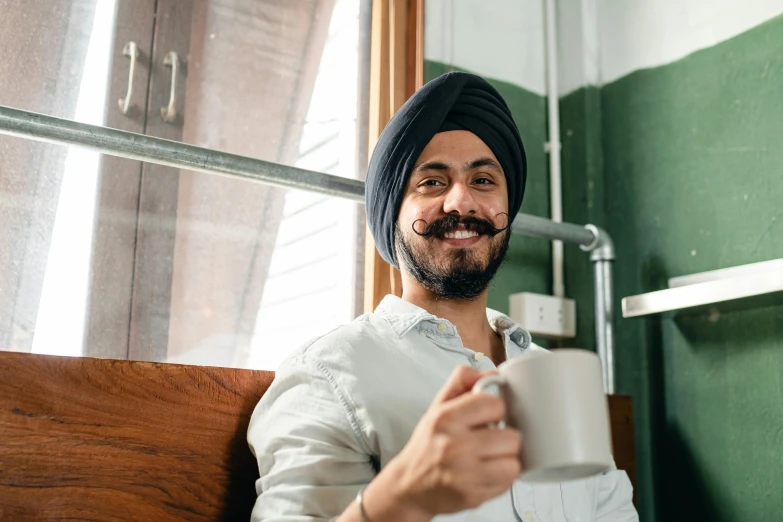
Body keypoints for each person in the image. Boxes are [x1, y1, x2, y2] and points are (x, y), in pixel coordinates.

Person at [247, 72, 638, 522]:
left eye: (485, 180)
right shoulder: (325, 376)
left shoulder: (556, 380)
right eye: (432, 182)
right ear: (391, 213)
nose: (461, 202)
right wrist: (400, 497)